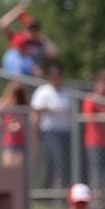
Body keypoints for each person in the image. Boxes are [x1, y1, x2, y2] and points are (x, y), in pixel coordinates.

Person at [31, 64, 73, 192]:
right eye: (54, 76)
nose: (56, 79)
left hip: (65, 132)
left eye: (58, 76)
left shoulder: (66, 92)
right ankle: (46, 191)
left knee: (64, 164)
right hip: (50, 133)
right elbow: (36, 111)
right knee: (51, 163)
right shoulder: (43, 91)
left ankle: (63, 192)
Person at [82, 70, 105, 207]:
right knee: (96, 174)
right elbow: (89, 117)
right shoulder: (91, 99)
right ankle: (96, 203)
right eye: (103, 82)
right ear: (96, 83)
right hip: (95, 143)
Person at [0, 80, 28, 167]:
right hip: (9, 142)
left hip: (21, 142)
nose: (16, 96)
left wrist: (20, 124)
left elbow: (29, 120)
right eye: (15, 93)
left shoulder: (24, 106)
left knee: (18, 170)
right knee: (8, 169)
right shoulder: (7, 104)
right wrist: (7, 97)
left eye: (18, 93)